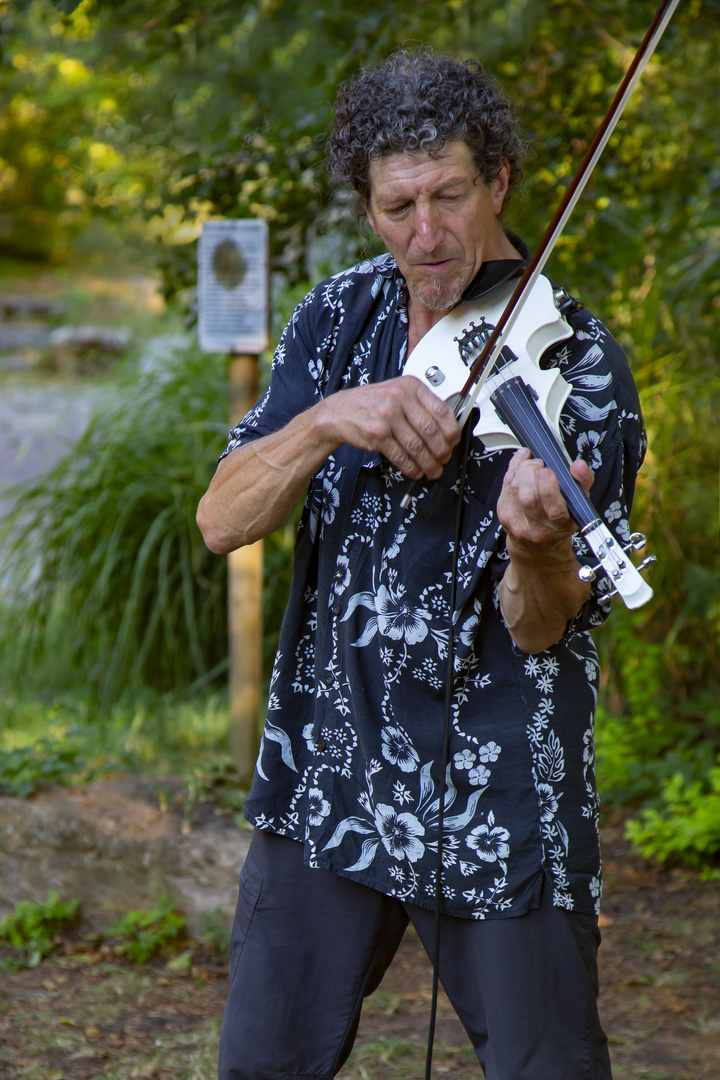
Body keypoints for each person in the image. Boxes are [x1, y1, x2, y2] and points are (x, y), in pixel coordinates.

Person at [197, 47, 646, 1080]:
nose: (428, 235)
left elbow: (543, 623)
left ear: (499, 181)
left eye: (450, 195)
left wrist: (537, 544)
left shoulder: (576, 367)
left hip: (501, 794)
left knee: (549, 1070)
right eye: (399, 207)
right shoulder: (337, 317)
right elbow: (222, 521)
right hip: (327, 769)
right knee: (262, 1064)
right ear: (368, 207)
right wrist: (322, 423)